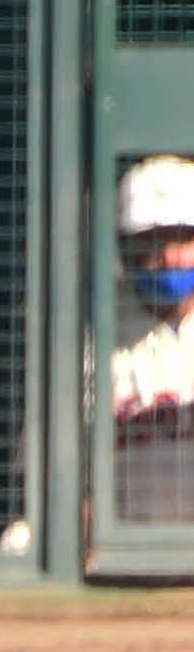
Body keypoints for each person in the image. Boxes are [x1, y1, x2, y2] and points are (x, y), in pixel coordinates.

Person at [111, 153, 194, 521]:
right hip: (128, 554)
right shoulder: (94, 337)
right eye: (152, 240)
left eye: (183, 238)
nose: (169, 256)